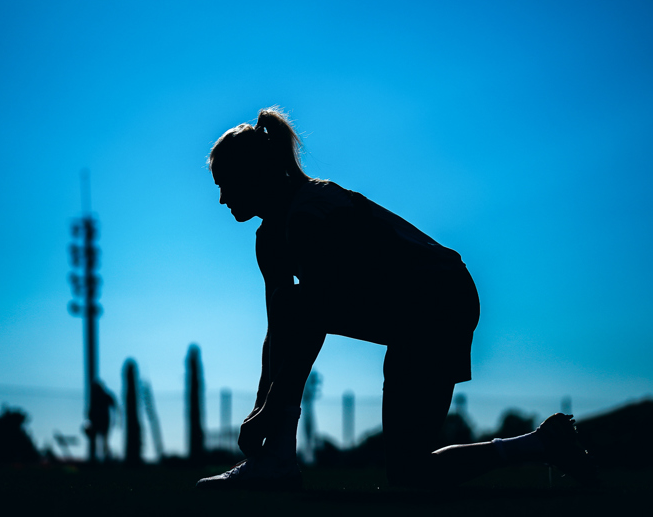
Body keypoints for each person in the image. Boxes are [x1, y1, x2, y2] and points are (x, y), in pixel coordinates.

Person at [197, 107, 594, 490]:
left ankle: (278, 462)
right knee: (411, 471)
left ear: (254, 174)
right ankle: (542, 444)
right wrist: (260, 404)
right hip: (409, 310)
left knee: (301, 309)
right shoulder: (269, 239)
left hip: (441, 299)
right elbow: (279, 329)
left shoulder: (309, 212)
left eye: (225, 184)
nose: (221, 199)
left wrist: (272, 408)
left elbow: (310, 314)